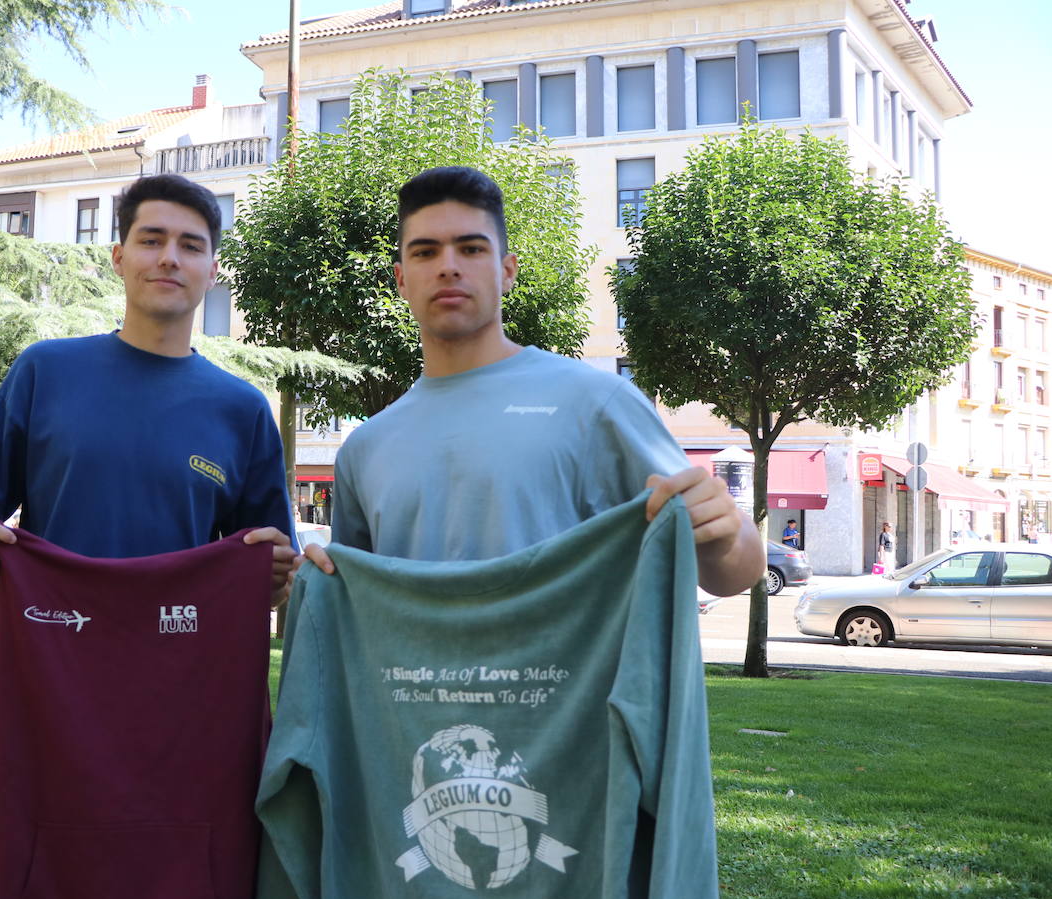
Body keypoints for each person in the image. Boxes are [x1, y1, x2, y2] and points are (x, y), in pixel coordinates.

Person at [301, 166, 763, 596]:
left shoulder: (597, 404)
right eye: (425, 252)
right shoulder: (365, 449)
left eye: (471, 248)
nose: (448, 266)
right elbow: (359, 608)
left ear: (507, 271)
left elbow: (733, 574)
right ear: (401, 280)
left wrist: (726, 531)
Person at [0, 173, 296, 590]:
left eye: (191, 246)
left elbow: (269, 580)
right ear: (118, 258)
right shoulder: (45, 372)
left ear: (213, 271)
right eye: (150, 240)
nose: (169, 258)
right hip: (50, 643)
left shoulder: (244, 410)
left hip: (180, 650)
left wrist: (277, 577)